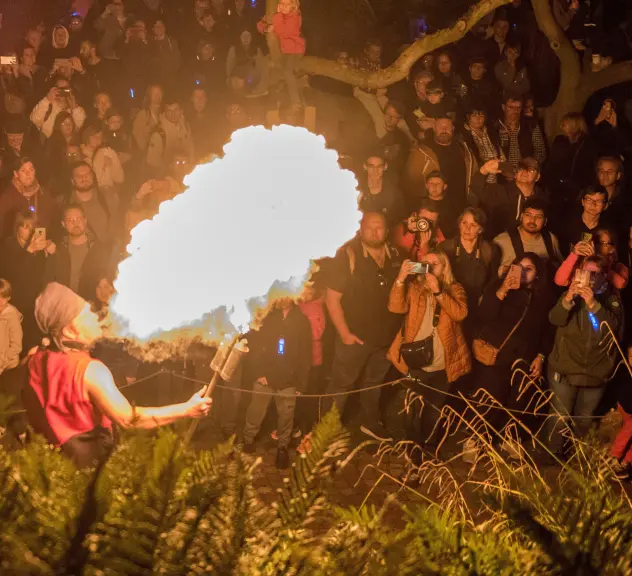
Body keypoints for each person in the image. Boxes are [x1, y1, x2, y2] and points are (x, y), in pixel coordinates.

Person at [23, 282, 212, 468]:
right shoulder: (91, 371)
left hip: (50, 471)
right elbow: (129, 419)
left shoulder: (32, 359)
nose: (96, 317)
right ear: (70, 331)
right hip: (87, 472)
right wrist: (187, 410)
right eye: (87, 313)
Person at [467, 253, 555, 457]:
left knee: (518, 400)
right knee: (489, 398)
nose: (523, 273)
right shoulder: (498, 287)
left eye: (529, 269)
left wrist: (541, 356)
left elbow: (547, 330)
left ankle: (510, 439)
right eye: (519, 267)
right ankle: (475, 440)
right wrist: (503, 290)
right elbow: (484, 316)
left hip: (523, 357)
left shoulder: (544, 297)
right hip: (497, 353)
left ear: (538, 274)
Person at [324, 212, 402, 439]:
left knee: (374, 383)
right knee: (341, 384)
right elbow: (332, 299)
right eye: (370, 227)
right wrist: (345, 334)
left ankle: (370, 422)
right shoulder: (348, 256)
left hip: (384, 338)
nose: (375, 232)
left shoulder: (396, 256)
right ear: (361, 229)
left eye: (380, 227)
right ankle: (326, 431)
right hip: (355, 338)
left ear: (387, 231)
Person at [388, 250, 470, 457]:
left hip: (443, 362)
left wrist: (439, 292)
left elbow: (460, 313)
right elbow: (395, 308)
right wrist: (400, 279)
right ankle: (413, 453)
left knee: (434, 410)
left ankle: (430, 450)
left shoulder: (455, 288)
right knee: (413, 411)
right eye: (426, 263)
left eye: (436, 263)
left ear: (445, 268)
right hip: (417, 360)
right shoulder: (414, 288)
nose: (431, 267)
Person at [547, 255, 623, 455]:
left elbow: (609, 330)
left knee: (585, 418)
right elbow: (555, 319)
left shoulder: (612, 301)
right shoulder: (568, 296)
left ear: (603, 276)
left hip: (595, 372)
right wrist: (567, 299)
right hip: (565, 369)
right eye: (585, 272)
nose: (588, 277)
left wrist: (592, 304)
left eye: (594, 273)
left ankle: (580, 456)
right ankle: (552, 456)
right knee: (559, 416)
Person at [242, 298, 312, 469]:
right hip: (265, 376)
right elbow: (255, 346)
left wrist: (301, 383)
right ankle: (248, 439)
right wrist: (259, 372)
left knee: (286, 417)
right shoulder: (266, 316)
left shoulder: (301, 321)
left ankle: (282, 448)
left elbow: (305, 354)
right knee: (255, 410)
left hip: (288, 378)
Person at [439, 207, 500, 340]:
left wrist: (484, 299)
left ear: (480, 229)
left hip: (477, 303)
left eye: (473, 225)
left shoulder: (489, 249)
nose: (467, 228)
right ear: (459, 224)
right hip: (451, 302)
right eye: (464, 223)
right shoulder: (446, 247)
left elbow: (493, 279)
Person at [0, 210, 55, 350]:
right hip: (13, 305)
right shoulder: (7, 247)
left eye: (32, 226)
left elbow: (45, 274)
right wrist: (29, 251)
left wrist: (52, 253)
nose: (29, 230)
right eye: (25, 226)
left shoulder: (38, 247)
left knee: (33, 346)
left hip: (34, 306)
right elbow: (12, 276)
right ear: (17, 228)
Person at [405, 116, 478, 219]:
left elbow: (474, 173)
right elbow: (412, 180)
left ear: (452, 129)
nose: (444, 130)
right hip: (434, 210)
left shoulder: (463, 149)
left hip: (461, 207)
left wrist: (472, 200)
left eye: (447, 127)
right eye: (440, 126)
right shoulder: (422, 151)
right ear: (434, 128)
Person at [478, 157, 548, 239]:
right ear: (515, 174)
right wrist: (484, 170)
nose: (525, 172)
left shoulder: (543, 199)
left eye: (531, 169)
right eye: (521, 168)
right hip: (499, 246)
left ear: (537, 177)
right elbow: (475, 190)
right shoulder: (499, 191)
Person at [493, 197, 563, 276]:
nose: (532, 220)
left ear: (545, 221)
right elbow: (490, 274)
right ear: (521, 216)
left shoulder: (550, 239)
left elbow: (562, 269)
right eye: (528, 215)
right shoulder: (502, 240)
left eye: (538, 217)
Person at [257, 0, 305, 107]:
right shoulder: (275, 15)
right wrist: (266, 28)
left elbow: (282, 31)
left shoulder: (295, 17)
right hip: (282, 50)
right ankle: (261, 89)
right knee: (270, 65)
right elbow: (260, 24)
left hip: (294, 50)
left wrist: (278, 15)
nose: (283, 7)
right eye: (281, 4)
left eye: (287, 5)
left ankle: (296, 100)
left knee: (288, 71)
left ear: (293, 6)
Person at [555, 228, 629, 290]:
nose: (600, 246)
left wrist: (597, 261)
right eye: (598, 242)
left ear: (612, 248)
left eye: (605, 243)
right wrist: (574, 254)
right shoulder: (580, 264)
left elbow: (620, 284)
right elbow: (559, 281)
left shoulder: (618, 267)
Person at [0, 157, 54, 241]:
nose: (28, 174)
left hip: (41, 241)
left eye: (31, 169)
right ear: (16, 174)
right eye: (23, 170)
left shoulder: (43, 192)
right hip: (17, 245)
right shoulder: (8, 196)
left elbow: (51, 218)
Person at [495, 92, 546, 170]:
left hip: (526, 173)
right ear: (503, 107)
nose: (515, 111)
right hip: (502, 173)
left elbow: (541, 150)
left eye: (518, 108)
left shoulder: (531, 125)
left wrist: (531, 165)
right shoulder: (496, 127)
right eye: (511, 107)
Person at [66, 162, 113, 246]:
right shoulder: (65, 203)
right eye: (78, 176)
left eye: (87, 174)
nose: (84, 177)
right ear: (72, 180)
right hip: (79, 255)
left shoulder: (107, 198)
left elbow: (117, 224)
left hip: (105, 254)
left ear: (93, 176)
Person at [357, 150, 406, 227]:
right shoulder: (355, 190)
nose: (375, 171)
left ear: (385, 167)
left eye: (379, 166)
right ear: (365, 166)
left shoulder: (395, 194)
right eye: (371, 166)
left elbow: (399, 222)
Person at [146, 98, 195, 172]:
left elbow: (191, 150)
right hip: (168, 177)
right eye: (169, 111)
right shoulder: (159, 133)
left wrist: (190, 168)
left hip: (187, 174)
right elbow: (151, 160)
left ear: (181, 111)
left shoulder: (186, 127)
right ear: (165, 112)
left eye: (176, 110)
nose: (173, 114)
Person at [558, 185, 608, 257]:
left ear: (605, 205)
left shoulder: (607, 231)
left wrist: (594, 258)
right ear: (582, 202)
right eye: (589, 200)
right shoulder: (567, 224)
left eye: (599, 201)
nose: (593, 204)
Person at [462, 103, 505, 185]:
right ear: (468, 117)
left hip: (494, 179)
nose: (478, 119)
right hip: (476, 179)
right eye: (474, 116)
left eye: (481, 116)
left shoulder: (490, 132)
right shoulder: (464, 136)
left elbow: (500, 153)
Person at [226, 29, 268, 97]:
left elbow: (262, 69)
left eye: (248, 36)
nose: (245, 38)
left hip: (251, 78)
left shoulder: (256, 50)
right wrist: (230, 80)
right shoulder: (233, 50)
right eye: (243, 36)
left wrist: (261, 87)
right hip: (238, 78)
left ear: (251, 37)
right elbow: (229, 67)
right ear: (240, 38)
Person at [149, 19, 181, 90]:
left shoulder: (172, 42)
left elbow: (177, 61)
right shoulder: (150, 42)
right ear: (153, 29)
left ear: (165, 27)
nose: (159, 28)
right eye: (156, 26)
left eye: (161, 26)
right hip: (155, 81)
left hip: (170, 81)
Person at [132, 84, 163, 154]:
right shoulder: (142, 114)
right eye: (154, 93)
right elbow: (137, 134)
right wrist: (147, 151)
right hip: (148, 155)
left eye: (159, 93)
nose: (157, 96)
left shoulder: (165, 114)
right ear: (149, 96)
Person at [0, 279, 23, 377]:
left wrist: (1, 363)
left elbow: (16, 347)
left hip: (8, 366)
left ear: (8, 298)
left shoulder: (12, 317)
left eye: (1, 297)